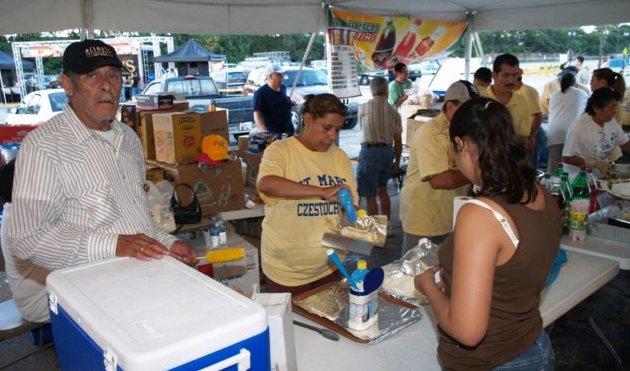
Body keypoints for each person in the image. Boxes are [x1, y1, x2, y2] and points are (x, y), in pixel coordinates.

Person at [6, 39, 198, 323]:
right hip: (93, 303)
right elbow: (27, 239)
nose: (106, 85)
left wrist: (167, 242)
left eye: (113, 75)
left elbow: (137, 219)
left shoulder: (128, 139)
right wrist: (113, 245)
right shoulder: (44, 146)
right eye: (91, 76)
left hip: (143, 289)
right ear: (68, 85)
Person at [415, 97, 561, 370]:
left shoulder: (481, 215)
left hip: (494, 361)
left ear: (463, 145)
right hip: (531, 344)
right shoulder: (538, 192)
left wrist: (428, 287)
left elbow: (467, 332)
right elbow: (509, 271)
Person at [257, 94, 357, 295]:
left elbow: (350, 207)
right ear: (308, 119)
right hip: (287, 272)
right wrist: (321, 192)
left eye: (337, 129)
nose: (333, 136)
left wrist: (356, 219)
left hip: (330, 265)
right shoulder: (280, 151)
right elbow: (267, 183)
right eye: (327, 127)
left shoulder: (339, 156)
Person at [399, 81, 477, 255]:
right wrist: (479, 173)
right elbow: (439, 179)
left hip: (449, 217)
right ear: (450, 106)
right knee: (414, 275)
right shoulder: (431, 133)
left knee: (443, 275)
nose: (473, 115)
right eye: (467, 109)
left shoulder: (464, 131)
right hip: (424, 221)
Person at [357, 77, 402, 221]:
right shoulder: (394, 111)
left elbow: (362, 128)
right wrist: (397, 162)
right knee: (383, 190)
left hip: (369, 152)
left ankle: (375, 231)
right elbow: (398, 140)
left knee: (370, 195)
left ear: (371, 91)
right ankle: (387, 227)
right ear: (387, 91)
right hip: (387, 153)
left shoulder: (363, 107)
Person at [562, 88, 630, 177]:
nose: (615, 110)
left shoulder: (611, 122)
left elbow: (624, 142)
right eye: (611, 107)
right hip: (577, 179)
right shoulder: (579, 127)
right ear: (596, 108)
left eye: (616, 106)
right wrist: (593, 164)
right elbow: (567, 157)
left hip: (599, 177)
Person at [481, 54, 531, 143]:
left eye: (514, 75)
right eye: (505, 75)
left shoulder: (522, 102)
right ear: (494, 75)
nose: (511, 80)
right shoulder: (480, 100)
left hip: (513, 155)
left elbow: (523, 137)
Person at [546, 72, 588, 173]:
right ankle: (568, 187)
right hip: (572, 133)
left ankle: (549, 187)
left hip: (554, 132)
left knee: (553, 166)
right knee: (571, 167)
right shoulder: (581, 93)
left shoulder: (554, 95)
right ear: (574, 82)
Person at [253, 67, 294, 135]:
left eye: (282, 74)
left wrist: (289, 103)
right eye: (279, 75)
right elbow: (257, 113)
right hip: (273, 133)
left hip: (288, 130)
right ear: (270, 76)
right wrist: (264, 131)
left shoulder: (282, 88)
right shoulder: (260, 93)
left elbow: (279, 102)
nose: (282, 77)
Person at [514, 68, 543, 150]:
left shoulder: (527, 91)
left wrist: (531, 138)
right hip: (517, 136)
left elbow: (537, 115)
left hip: (529, 134)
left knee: (528, 161)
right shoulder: (511, 92)